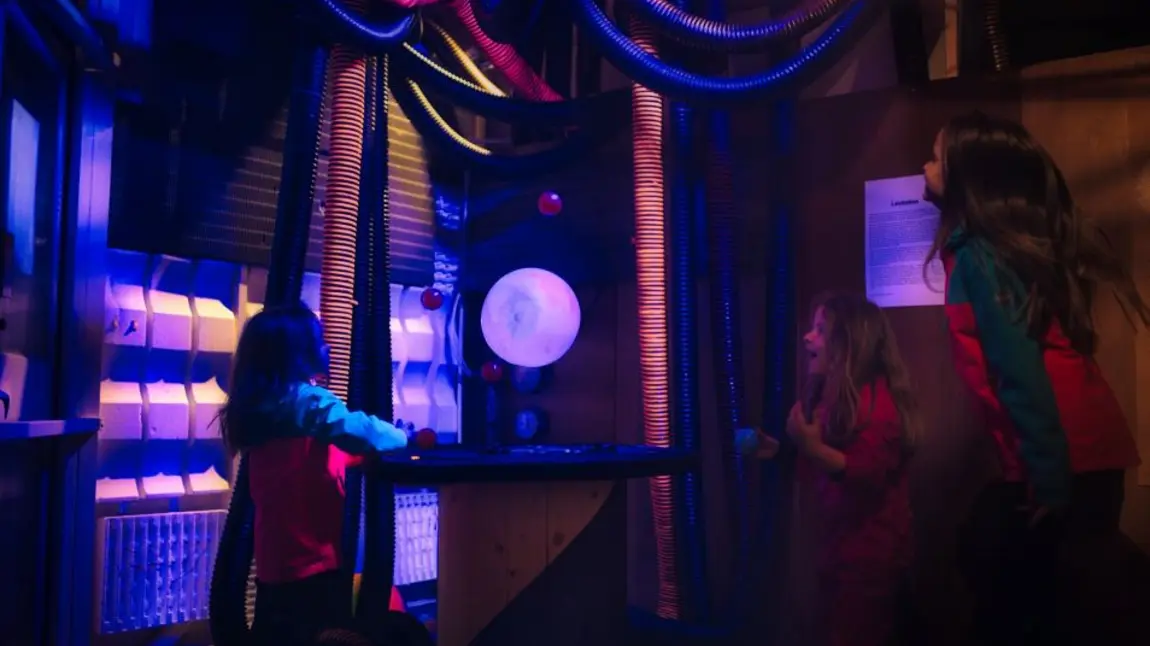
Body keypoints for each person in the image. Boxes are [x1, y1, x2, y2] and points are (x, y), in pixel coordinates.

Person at [923, 111, 1148, 646]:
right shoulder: (983, 252)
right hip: (1078, 456)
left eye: (936, 157)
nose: (925, 166)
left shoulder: (981, 257)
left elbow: (1017, 370)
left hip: (1069, 458)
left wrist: (1047, 477)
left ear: (968, 177)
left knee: (1041, 601)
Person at [217, 302, 409, 646]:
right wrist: (403, 436)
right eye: (320, 340)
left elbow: (303, 462)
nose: (329, 347)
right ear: (296, 355)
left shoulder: (264, 407)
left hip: (277, 567)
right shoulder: (307, 401)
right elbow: (365, 432)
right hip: (313, 567)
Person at [785, 293, 920, 646]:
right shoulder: (835, 401)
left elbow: (865, 473)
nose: (808, 337)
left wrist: (810, 447)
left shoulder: (879, 406)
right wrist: (783, 450)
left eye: (820, 330)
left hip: (871, 564)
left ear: (849, 345)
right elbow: (820, 470)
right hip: (839, 554)